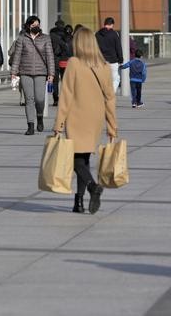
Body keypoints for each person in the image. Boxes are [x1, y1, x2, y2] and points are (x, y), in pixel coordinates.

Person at [53, 27, 118, 214]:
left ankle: (92, 186)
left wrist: (58, 124)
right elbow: (110, 98)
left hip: (76, 116)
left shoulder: (74, 63)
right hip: (95, 118)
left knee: (75, 159)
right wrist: (112, 126)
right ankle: (78, 203)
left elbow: (66, 95)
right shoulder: (104, 66)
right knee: (84, 158)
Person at [9, 15, 55, 135]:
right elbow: (17, 56)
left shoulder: (45, 38)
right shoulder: (21, 39)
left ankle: (39, 116)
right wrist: (14, 72)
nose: (36, 27)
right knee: (29, 99)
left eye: (38, 25)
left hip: (41, 72)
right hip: (25, 72)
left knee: (40, 98)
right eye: (34, 25)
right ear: (28, 26)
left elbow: (50, 56)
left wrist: (51, 73)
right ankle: (30, 125)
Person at [95, 17, 124, 93]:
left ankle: (102, 93)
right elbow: (118, 48)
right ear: (111, 24)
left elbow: (95, 47)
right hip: (113, 61)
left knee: (103, 79)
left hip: (101, 61)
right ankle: (110, 94)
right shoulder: (114, 34)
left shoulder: (97, 34)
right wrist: (121, 59)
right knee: (116, 78)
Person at [49, 20, 73, 106]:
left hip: (54, 60)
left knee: (55, 81)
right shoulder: (66, 34)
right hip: (65, 60)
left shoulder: (51, 34)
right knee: (65, 81)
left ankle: (56, 99)